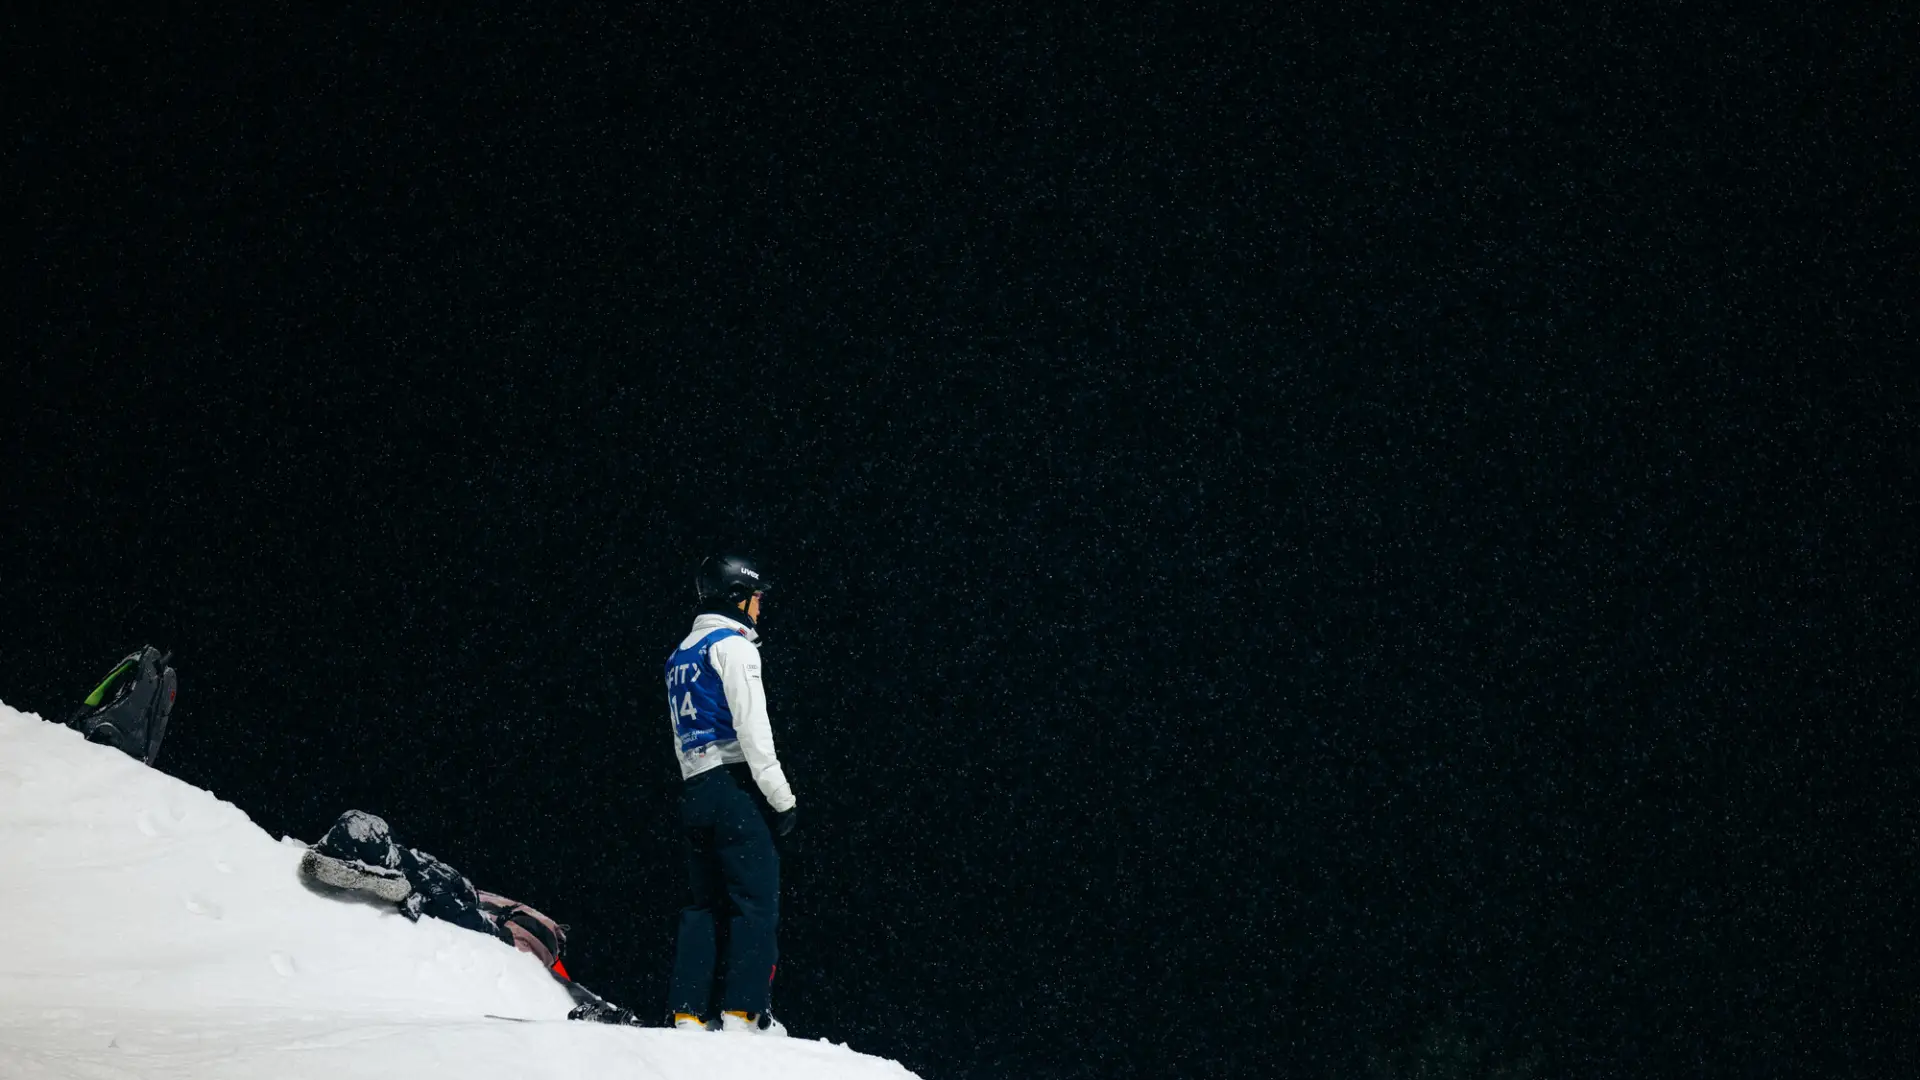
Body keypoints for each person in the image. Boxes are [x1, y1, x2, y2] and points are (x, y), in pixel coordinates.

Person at [301, 809, 638, 1023]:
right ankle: (606, 1013)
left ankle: (600, 1007)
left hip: (469, 899)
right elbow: (464, 904)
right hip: (477, 912)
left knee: (549, 958)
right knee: (552, 975)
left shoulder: (399, 858)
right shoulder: (405, 876)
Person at [665, 554, 797, 1033]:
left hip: (694, 788)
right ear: (737, 596)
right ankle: (745, 1013)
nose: (759, 609)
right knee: (755, 902)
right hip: (733, 787)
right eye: (757, 598)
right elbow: (753, 733)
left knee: (700, 905)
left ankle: (686, 1014)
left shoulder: (681, 652)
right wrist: (782, 799)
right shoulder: (735, 648)